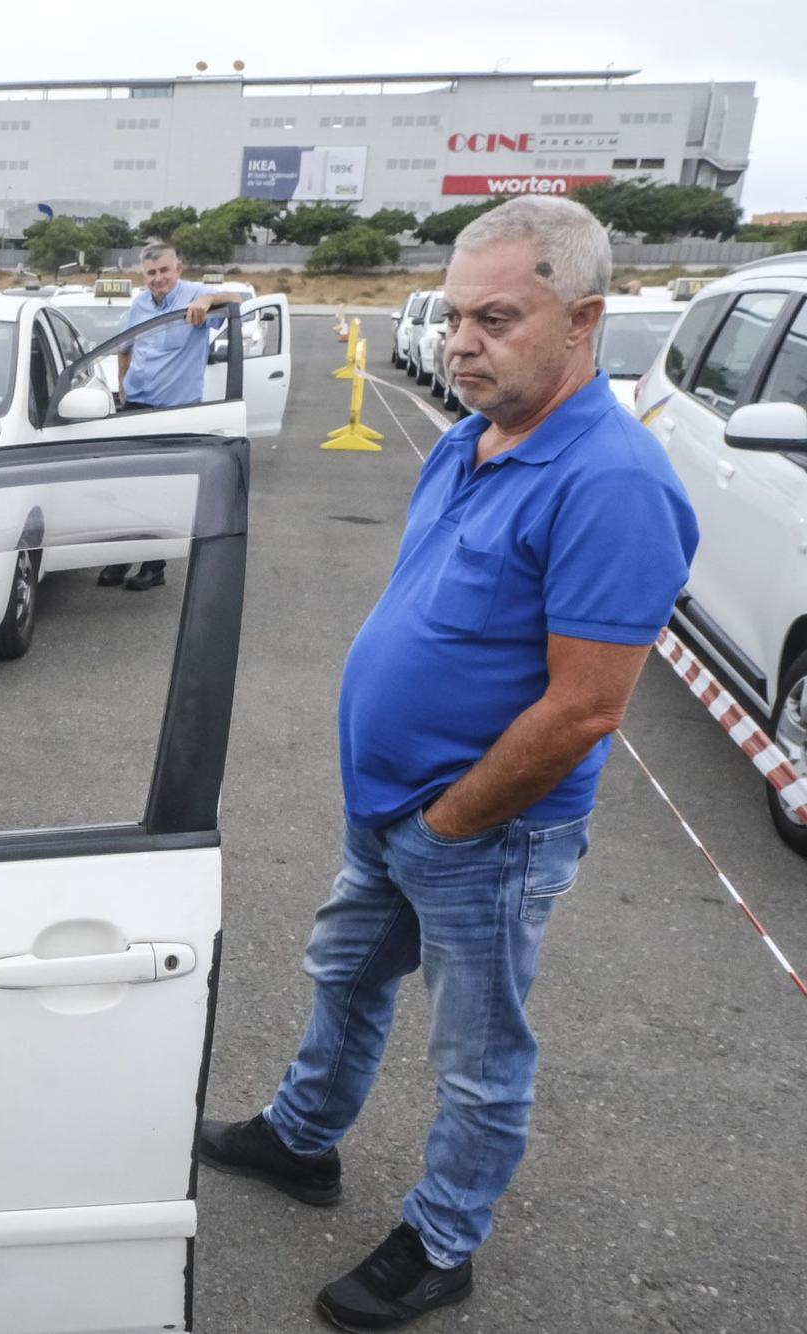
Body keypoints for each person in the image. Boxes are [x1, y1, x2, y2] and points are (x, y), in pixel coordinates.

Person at [198, 197, 697, 1332]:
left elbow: (582, 709)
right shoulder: (475, 437)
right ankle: (301, 1135)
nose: (462, 341)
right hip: (393, 811)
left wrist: (454, 821)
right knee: (345, 970)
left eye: (497, 317)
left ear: (581, 320)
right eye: (456, 315)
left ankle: (439, 1238)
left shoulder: (610, 481)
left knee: (475, 1051)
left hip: (481, 829)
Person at [97, 243, 244, 591]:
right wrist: (122, 389)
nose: (158, 278)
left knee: (159, 493)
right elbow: (125, 349)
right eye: (151, 273)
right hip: (136, 407)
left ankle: (154, 566)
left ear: (178, 268)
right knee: (124, 490)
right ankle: (120, 559)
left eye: (164, 270)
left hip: (173, 411)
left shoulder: (196, 296)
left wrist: (208, 302)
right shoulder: (140, 304)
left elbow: (239, 300)